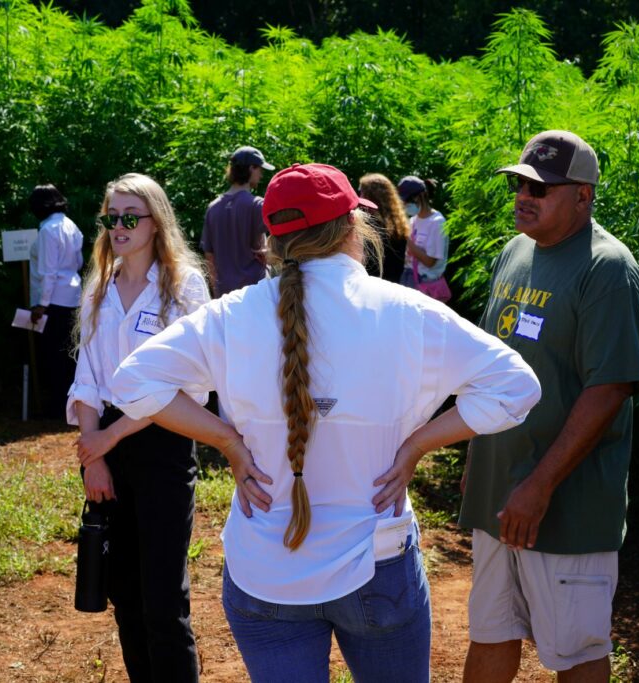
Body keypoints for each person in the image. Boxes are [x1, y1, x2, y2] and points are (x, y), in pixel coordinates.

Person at [109, 163, 542, 683]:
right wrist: (417, 446)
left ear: (270, 240)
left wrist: (227, 441)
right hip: (376, 558)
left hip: (264, 568)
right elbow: (517, 388)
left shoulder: (230, 316)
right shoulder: (406, 311)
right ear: (350, 228)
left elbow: (132, 383)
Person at [458, 130, 639, 682]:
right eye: (520, 183)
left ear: (583, 196)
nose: (525, 195)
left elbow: (609, 388)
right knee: (490, 631)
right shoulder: (515, 251)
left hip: (565, 506)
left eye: (541, 188)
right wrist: (481, 460)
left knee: (575, 652)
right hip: (499, 493)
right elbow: (494, 362)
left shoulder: (607, 269)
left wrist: (539, 486)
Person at [67, 173, 209, 682]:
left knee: (163, 601)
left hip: (164, 442)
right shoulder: (99, 289)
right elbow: (86, 380)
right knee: (124, 592)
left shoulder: (183, 287)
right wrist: (96, 455)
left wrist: (110, 437)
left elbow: (189, 384)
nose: (119, 227)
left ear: (156, 223)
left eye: (131, 217)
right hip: (107, 444)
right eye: (112, 218)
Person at [28, 183, 84, 418]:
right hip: (73, 295)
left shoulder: (48, 230)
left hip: (53, 300)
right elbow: (78, 263)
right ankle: (71, 405)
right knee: (69, 353)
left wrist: (42, 304)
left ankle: (57, 407)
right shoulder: (72, 226)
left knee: (53, 355)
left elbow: (48, 272)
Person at [200, 145, 274, 297]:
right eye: (260, 169)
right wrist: (271, 252)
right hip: (256, 291)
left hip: (225, 295)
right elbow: (283, 239)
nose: (261, 175)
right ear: (251, 168)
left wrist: (216, 293)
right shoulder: (257, 205)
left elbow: (209, 257)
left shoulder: (213, 208)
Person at [398, 176, 451, 301]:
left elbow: (430, 262)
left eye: (407, 202)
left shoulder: (437, 223)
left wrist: (406, 238)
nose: (405, 206)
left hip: (426, 285)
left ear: (420, 196)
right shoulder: (413, 221)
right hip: (409, 279)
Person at [358, 172, 410, 283]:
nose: (359, 197)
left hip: (372, 287)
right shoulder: (398, 225)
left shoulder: (370, 226)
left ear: (371, 196)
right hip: (393, 286)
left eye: (362, 192)